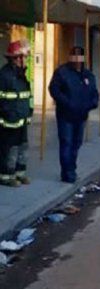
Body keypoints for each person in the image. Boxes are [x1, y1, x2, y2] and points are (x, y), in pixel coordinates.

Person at [48, 46, 98, 184]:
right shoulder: (62, 72)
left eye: (79, 57)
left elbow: (94, 92)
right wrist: (67, 103)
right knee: (66, 143)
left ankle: (71, 169)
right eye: (74, 56)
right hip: (66, 116)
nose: (76, 60)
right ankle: (67, 173)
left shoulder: (87, 75)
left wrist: (92, 103)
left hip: (81, 116)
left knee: (76, 144)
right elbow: (54, 89)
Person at [0, 39, 32, 187]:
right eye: (22, 57)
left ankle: (20, 173)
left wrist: (29, 113)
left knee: (22, 147)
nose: (24, 60)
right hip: (9, 121)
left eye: (25, 57)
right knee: (9, 150)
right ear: (14, 58)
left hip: (21, 119)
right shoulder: (4, 75)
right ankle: (7, 176)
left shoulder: (21, 74)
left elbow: (26, 96)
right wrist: (7, 114)